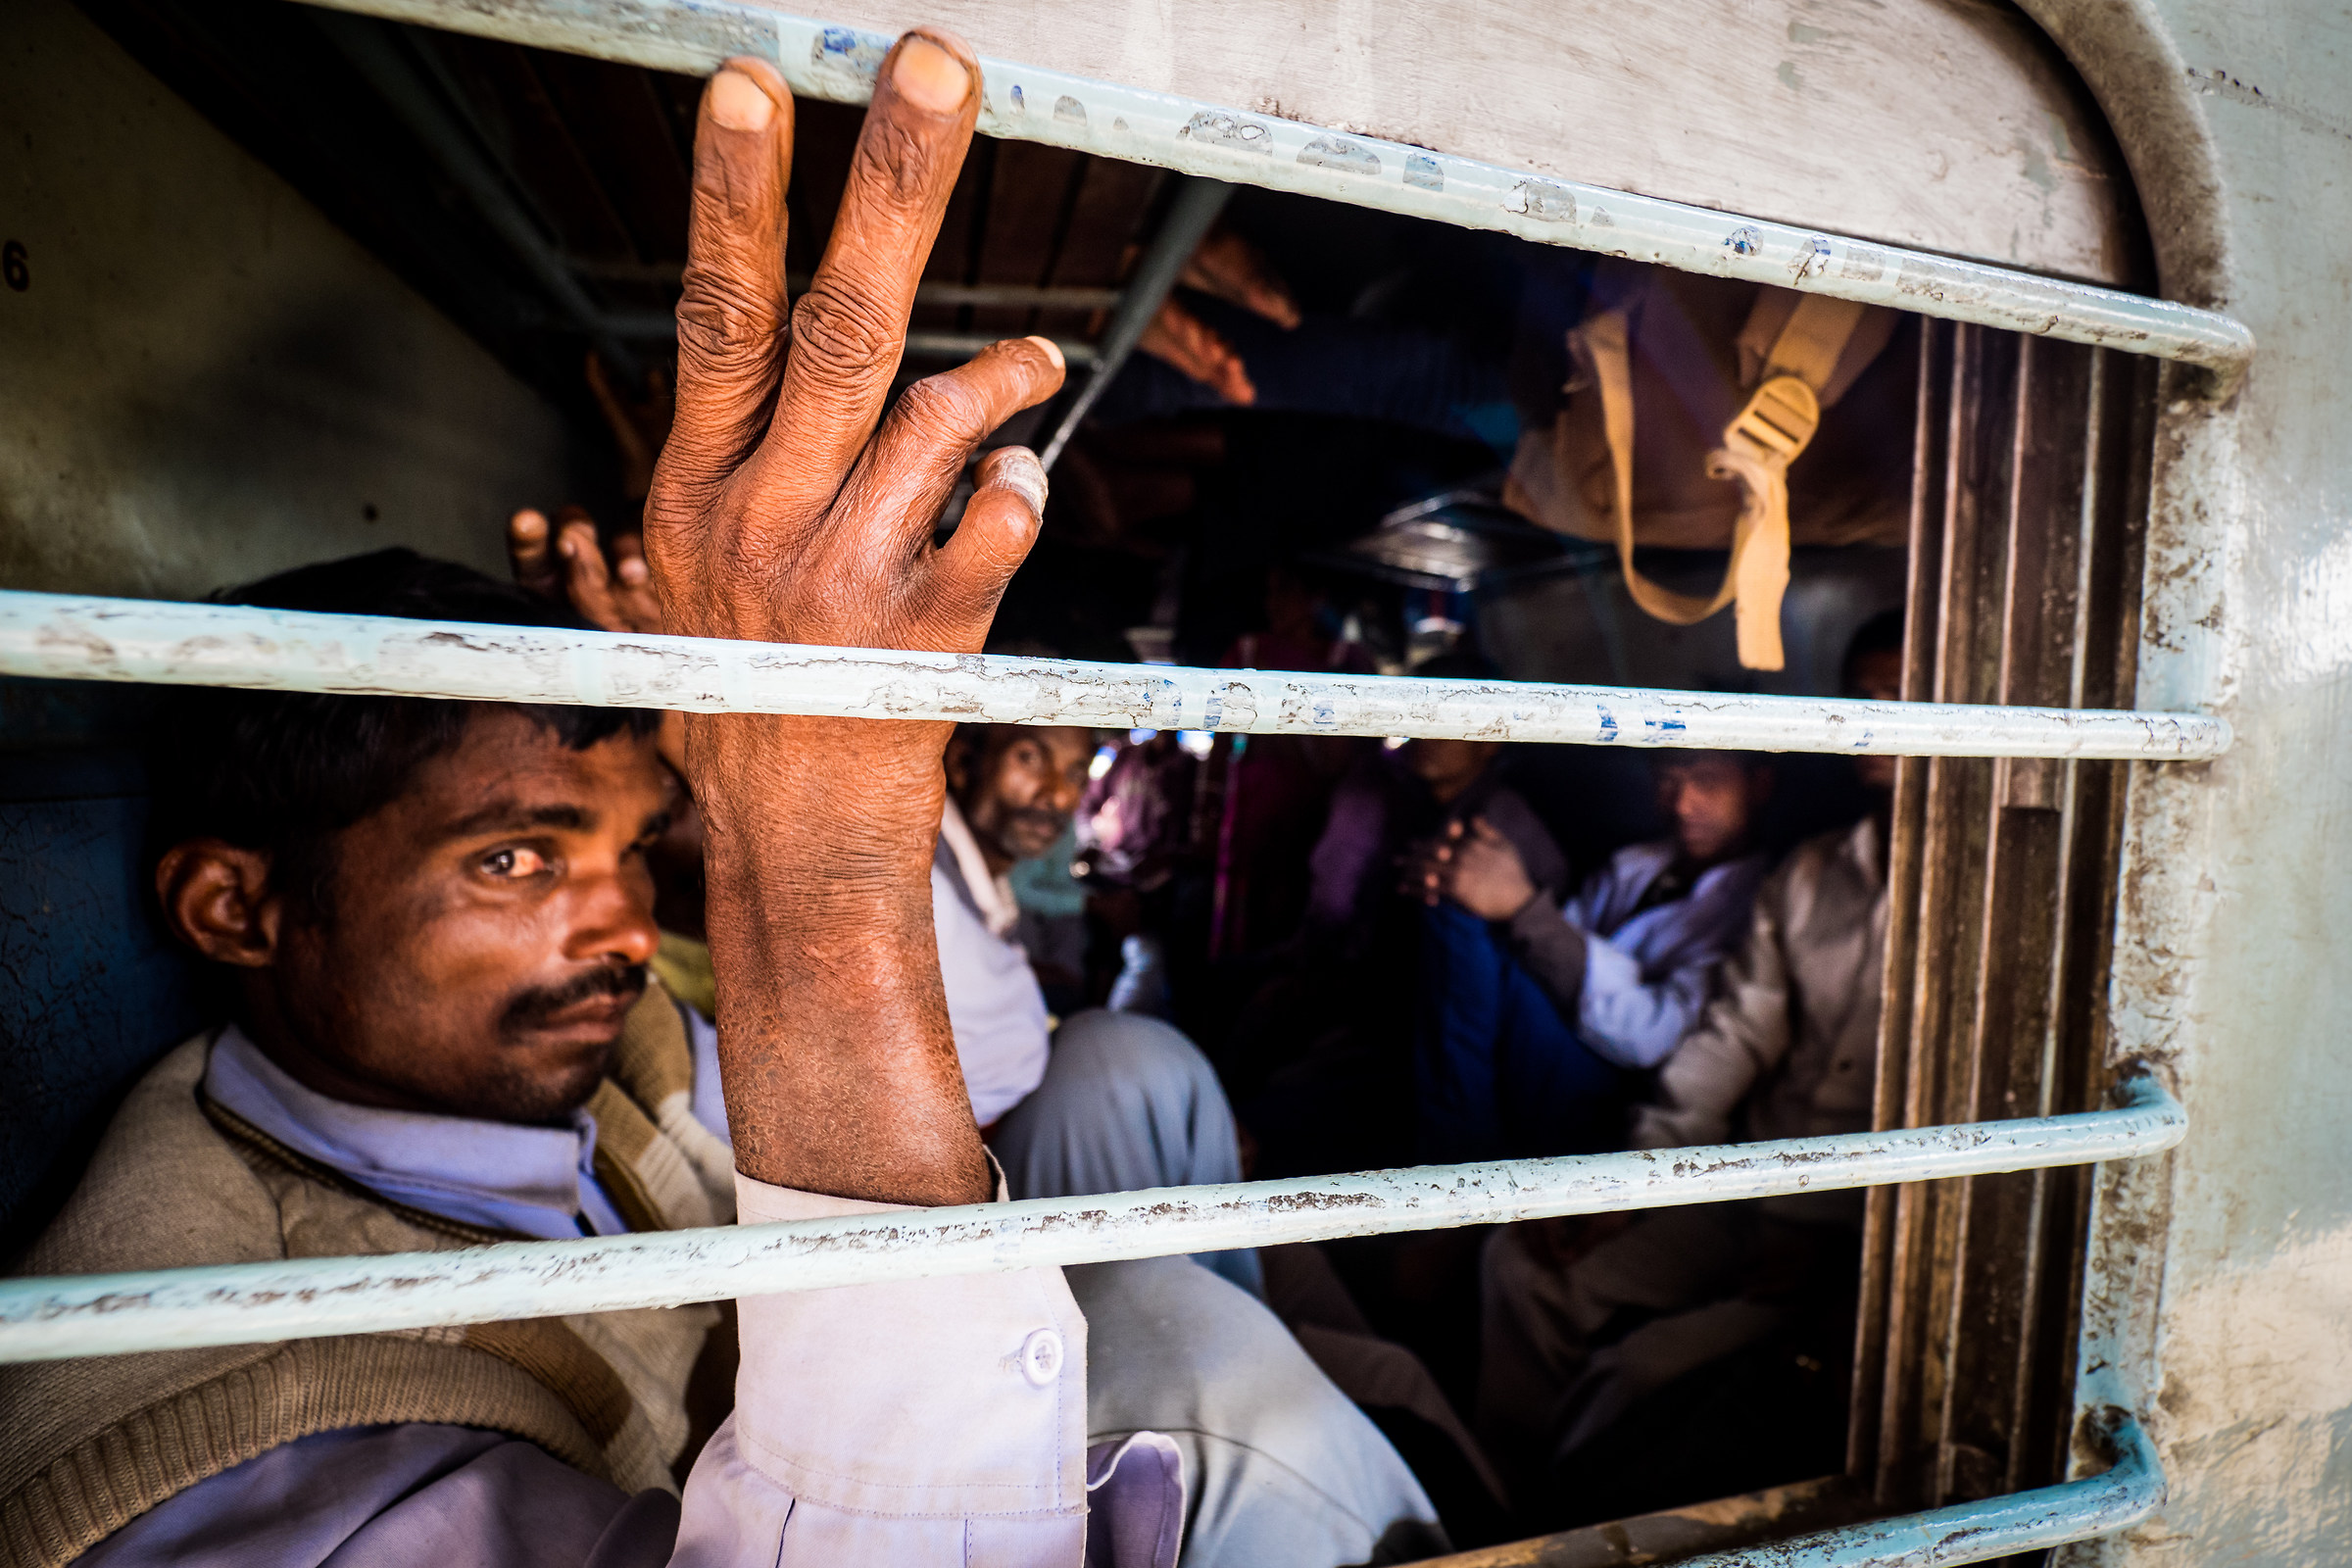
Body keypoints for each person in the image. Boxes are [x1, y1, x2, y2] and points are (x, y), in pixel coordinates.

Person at [0, 36, 1439, 1568]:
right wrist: (808, 848)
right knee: (1225, 1401)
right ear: (235, 905)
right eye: (512, 859)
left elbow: (919, 1095)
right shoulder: (208, 1407)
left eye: (631, 845)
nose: (626, 925)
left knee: (1180, 1284)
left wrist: (745, 809)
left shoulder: (596, 1056)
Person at [1473, 611, 1906, 1505]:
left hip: (1864, 1234)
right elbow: (1734, 1038)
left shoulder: (2000, 891)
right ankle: (1499, 1498)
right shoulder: (1811, 876)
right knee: (1522, 1269)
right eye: (1865, 697)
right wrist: (1635, 1184)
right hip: (1747, 1187)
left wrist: (1862, 1256)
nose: (1876, 718)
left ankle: (1564, 1527)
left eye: (1901, 695)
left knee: (1639, 1375)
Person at [1406, 750, 1774, 1161]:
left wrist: (1523, 908)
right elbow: (1559, 939)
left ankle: (1456, 1154)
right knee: (1463, 904)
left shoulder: (1759, 905)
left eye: (1707, 781)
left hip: (1625, 1089)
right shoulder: (1638, 862)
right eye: (1667, 781)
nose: (1682, 804)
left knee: (1467, 922)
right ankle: (1458, 1150)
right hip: (1555, 1036)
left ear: (1759, 786)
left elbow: (1651, 1038)